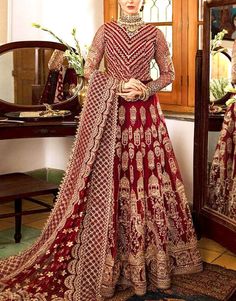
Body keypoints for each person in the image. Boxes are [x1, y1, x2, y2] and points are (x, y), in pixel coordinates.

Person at [0, 0, 202, 300]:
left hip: (146, 120)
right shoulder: (105, 31)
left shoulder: (154, 34)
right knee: (115, 181)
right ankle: (113, 259)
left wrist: (145, 88)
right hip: (113, 118)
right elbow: (90, 70)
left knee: (146, 181)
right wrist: (117, 87)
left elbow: (168, 74)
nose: (131, 0)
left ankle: (150, 257)